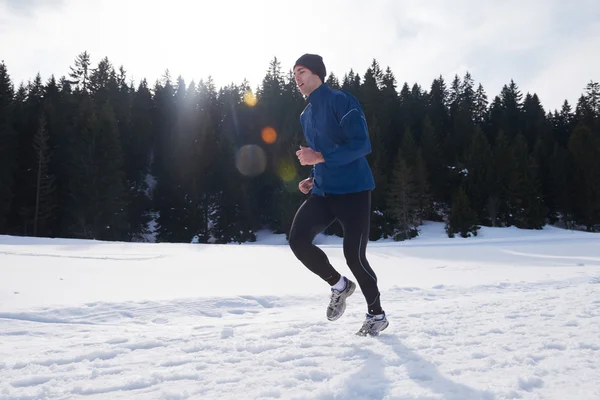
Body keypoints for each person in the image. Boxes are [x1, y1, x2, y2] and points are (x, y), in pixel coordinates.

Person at [288, 53, 389, 337]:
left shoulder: (342, 100)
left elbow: (361, 144)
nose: (297, 77)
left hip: (354, 191)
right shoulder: (305, 115)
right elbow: (323, 154)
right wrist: (312, 177)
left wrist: (317, 157)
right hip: (324, 192)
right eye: (294, 73)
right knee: (297, 241)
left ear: (318, 73)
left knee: (354, 257)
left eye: (302, 71)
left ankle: (376, 315)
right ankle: (339, 285)